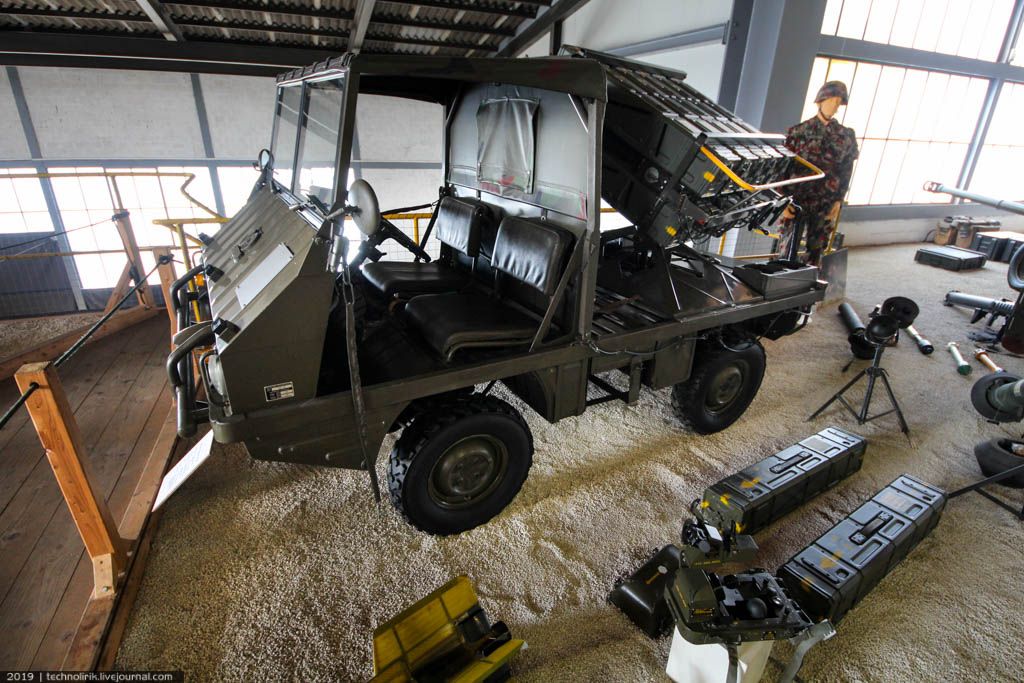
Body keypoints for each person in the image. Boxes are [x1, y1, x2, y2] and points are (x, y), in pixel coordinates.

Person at [781, 80, 859, 266]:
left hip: (826, 199)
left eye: (838, 101)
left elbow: (846, 170)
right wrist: (782, 200)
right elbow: (783, 169)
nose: (834, 104)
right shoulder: (798, 132)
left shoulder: (845, 135)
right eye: (831, 99)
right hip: (797, 198)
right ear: (820, 100)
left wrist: (839, 199)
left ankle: (808, 287)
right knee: (786, 249)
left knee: (817, 249)